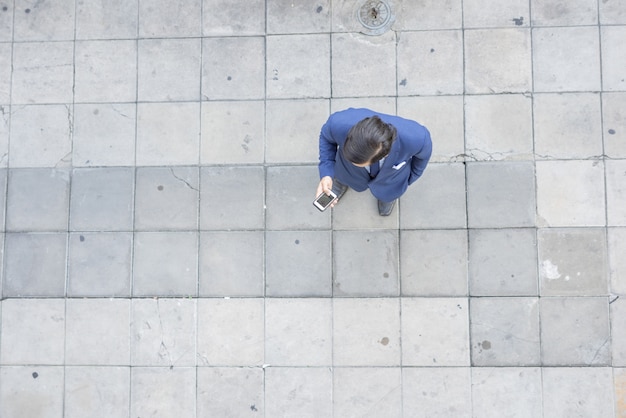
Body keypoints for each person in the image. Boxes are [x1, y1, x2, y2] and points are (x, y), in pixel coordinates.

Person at [316, 108, 432, 216]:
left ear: (385, 154)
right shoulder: (337, 124)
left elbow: (422, 159)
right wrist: (327, 173)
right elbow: (326, 138)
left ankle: (386, 198)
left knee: (388, 194)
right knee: (342, 176)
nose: (353, 163)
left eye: (358, 163)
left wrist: (409, 179)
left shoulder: (417, 138)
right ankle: (341, 182)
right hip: (347, 172)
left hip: (391, 181)